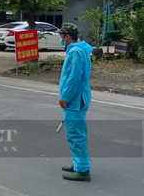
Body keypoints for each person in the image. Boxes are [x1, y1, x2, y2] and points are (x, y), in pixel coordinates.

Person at [58, 22, 93, 182]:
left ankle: (82, 170)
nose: (61, 39)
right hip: (79, 98)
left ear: (67, 36)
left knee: (75, 135)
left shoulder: (75, 53)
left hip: (74, 99)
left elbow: (73, 78)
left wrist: (64, 97)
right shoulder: (81, 50)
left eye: (62, 36)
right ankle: (78, 163)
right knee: (77, 133)